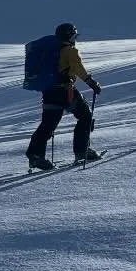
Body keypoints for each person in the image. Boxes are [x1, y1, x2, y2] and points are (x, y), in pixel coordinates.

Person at [26, 23, 102, 171]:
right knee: (85, 116)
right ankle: (82, 151)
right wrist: (91, 83)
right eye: (74, 35)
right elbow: (78, 68)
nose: (75, 39)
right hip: (66, 92)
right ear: (69, 36)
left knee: (47, 125)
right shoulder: (70, 51)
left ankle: (35, 156)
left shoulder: (49, 51)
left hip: (49, 92)